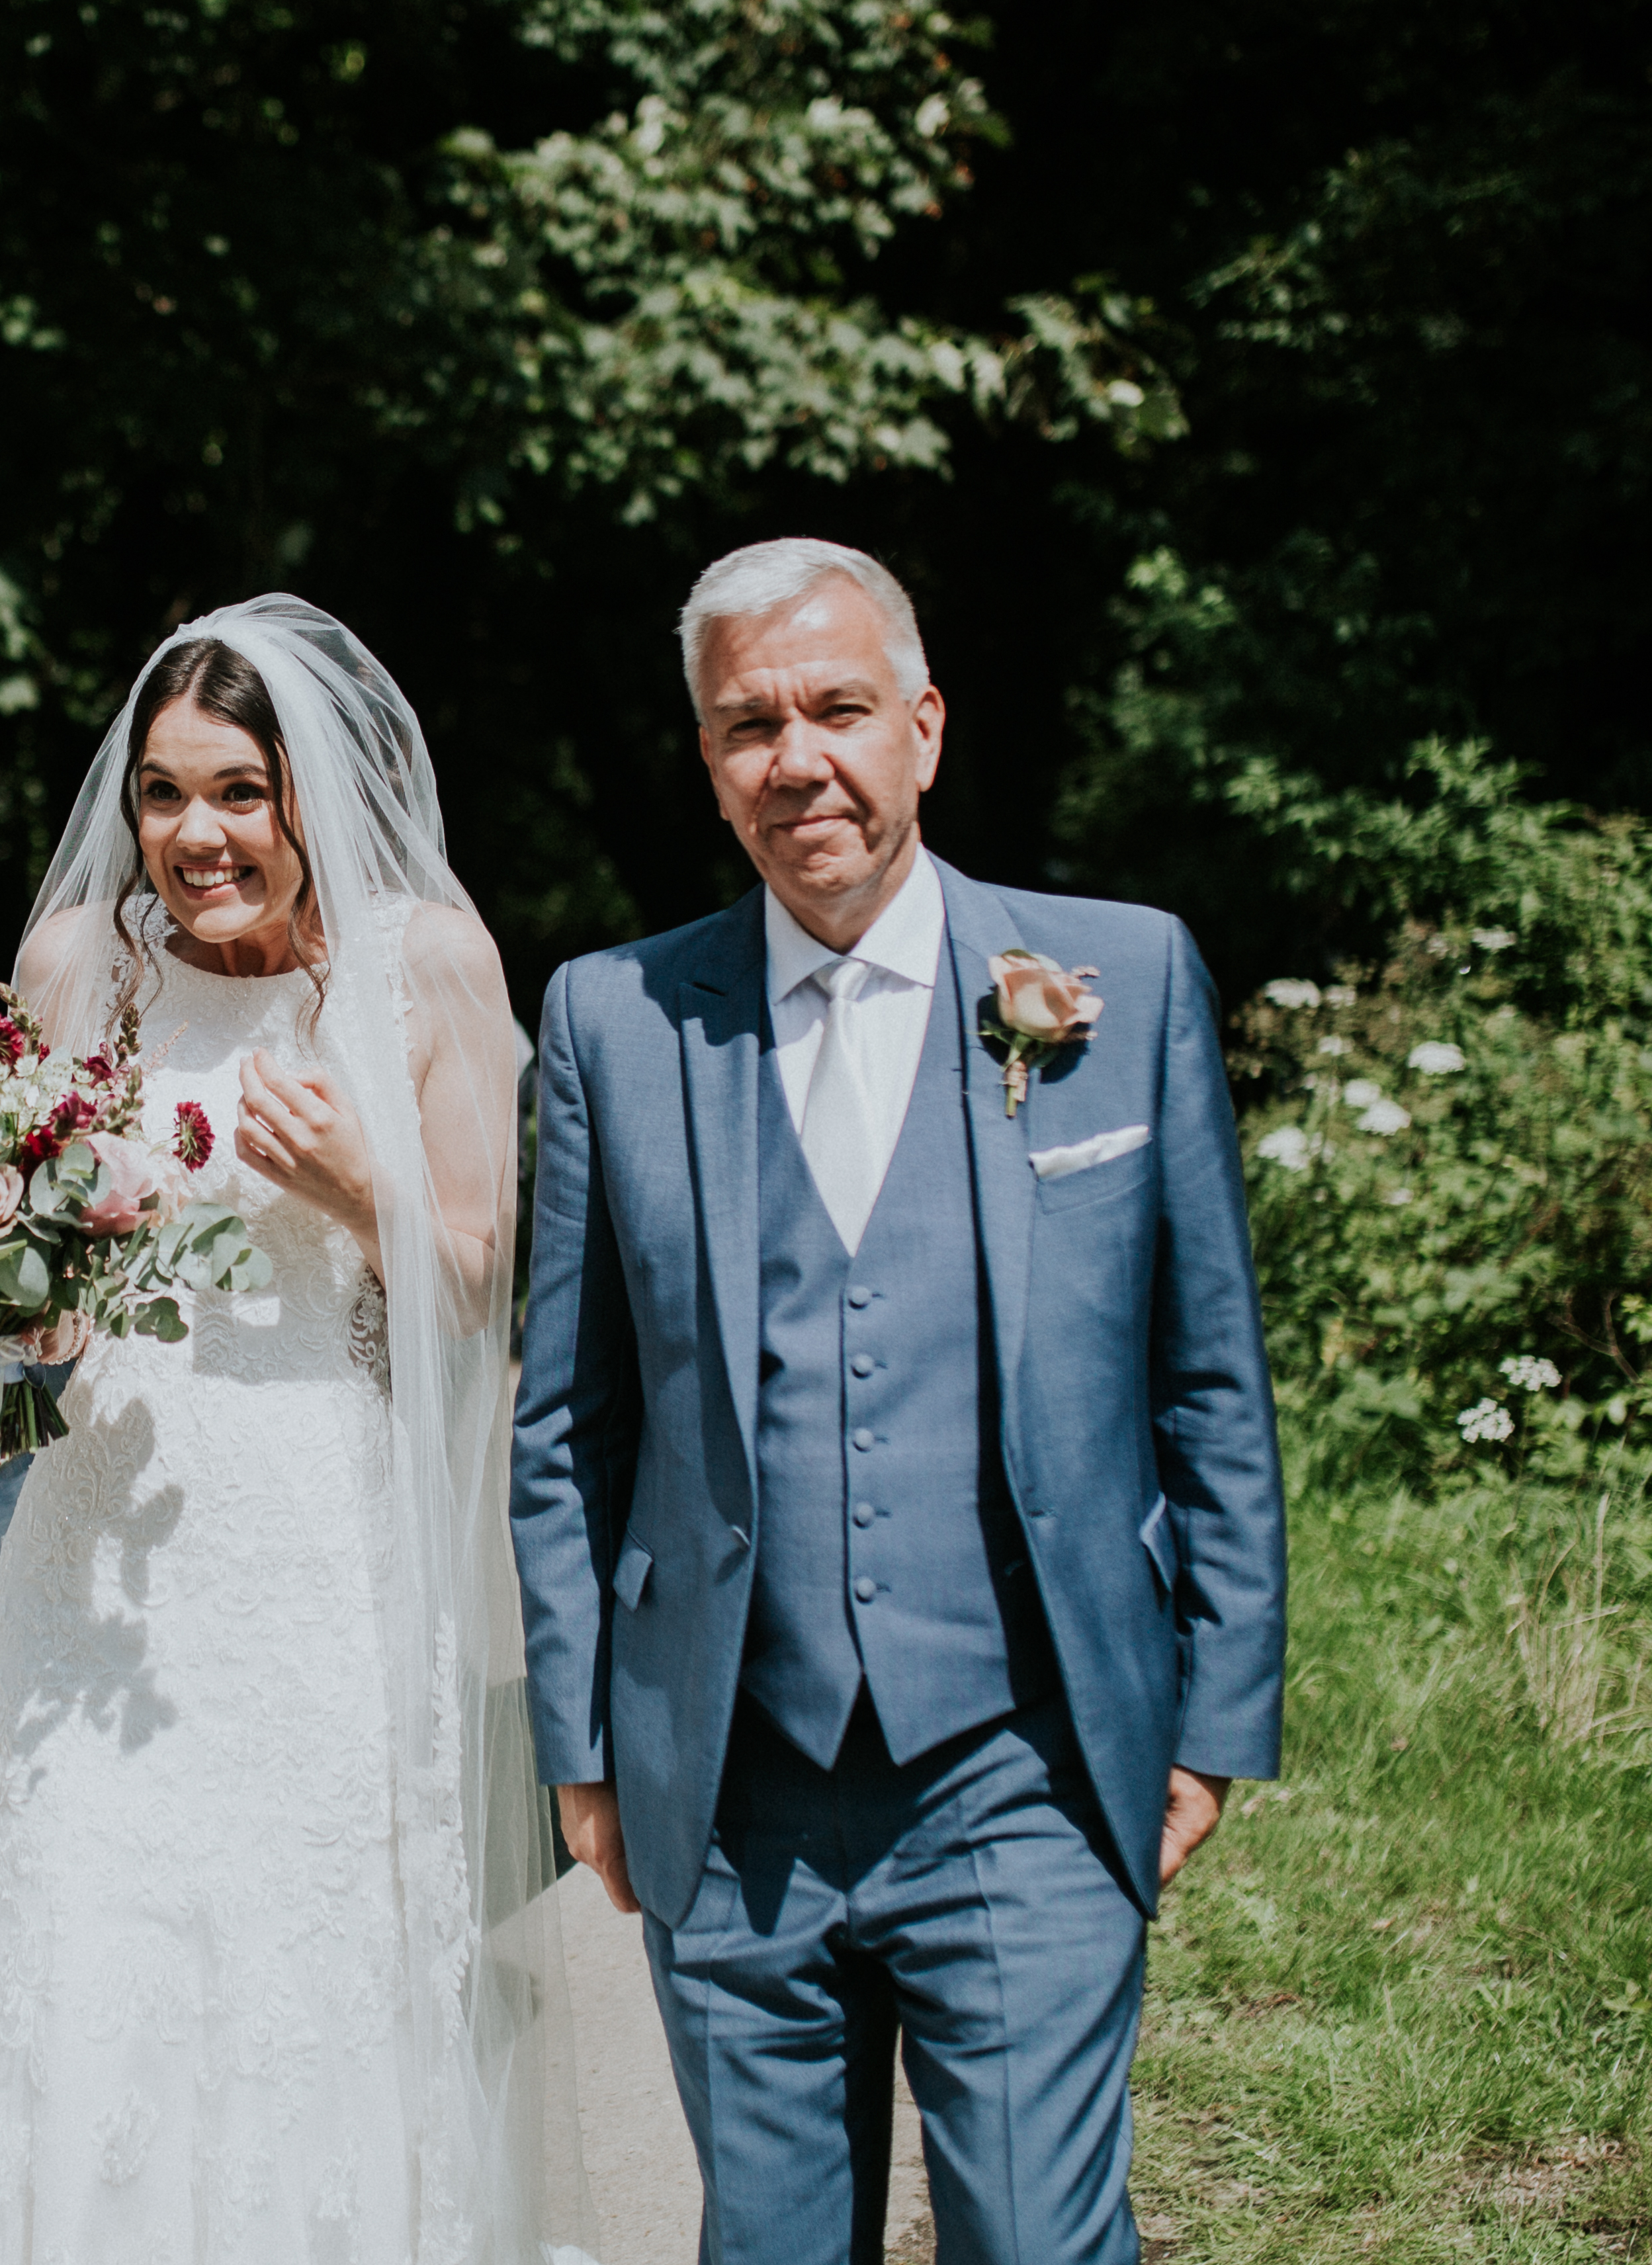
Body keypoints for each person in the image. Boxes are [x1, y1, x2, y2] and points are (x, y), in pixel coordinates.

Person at [508, 538, 1287, 2262]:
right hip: (730, 1786)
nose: (799, 761)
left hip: (1026, 1762)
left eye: (838, 709)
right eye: (748, 726)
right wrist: (579, 1742)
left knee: (1038, 2242)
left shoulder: (1124, 981)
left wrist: (1221, 1711)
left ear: (923, 729)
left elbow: (1208, 1374)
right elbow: (569, 1425)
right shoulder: (614, 1023)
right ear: (710, 768)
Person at [0, 597, 587, 2265]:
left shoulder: (428, 962)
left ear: (313, 794)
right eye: (162, 793)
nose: (196, 838)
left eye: (238, 792)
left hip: (320, 1557)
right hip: (101, 1553)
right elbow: (43, 1263)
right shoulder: (83, 963)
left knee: (311, 1963)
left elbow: (483, 1298)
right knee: (98, 1961)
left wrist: (357, 1185)